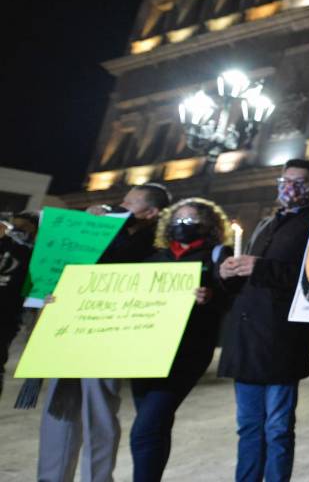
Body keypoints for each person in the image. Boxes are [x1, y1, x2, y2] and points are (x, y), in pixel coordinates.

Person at [38, 182, 171, 482]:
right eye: (122, 201)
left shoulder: (157, 245)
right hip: (69, 329)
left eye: (131, 204)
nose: (122, 207)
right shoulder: (104, 230)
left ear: (151, 213)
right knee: (59, 410)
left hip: (107, 335)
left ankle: (97, 478)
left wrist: (107, 229)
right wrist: (85, 227)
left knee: (98, 415)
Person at [218, 159, 309, 482]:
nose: (290, 187)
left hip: (281, 337)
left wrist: (261, 267)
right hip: (248, 336)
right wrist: (226, 273)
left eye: (300, 181)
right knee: (248, 426)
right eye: (285, 179)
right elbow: (245, 275)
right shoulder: (266, 223)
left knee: (277, 428)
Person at [129, 197, 230, 482]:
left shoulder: (217, 256)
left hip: (186, 353)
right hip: (147, 351)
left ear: (207, 226)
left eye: (191, 221)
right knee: (155, 427)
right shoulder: (154, 257)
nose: (182, 226)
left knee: (145, 429)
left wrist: (211, 297)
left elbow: (231, 297)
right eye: (178, 220)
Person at [0, 211, 38, 395]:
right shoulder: (4, 244)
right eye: (15, 227)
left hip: (6, 316)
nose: (17, 231)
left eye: (23, 228)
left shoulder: (34, 254)